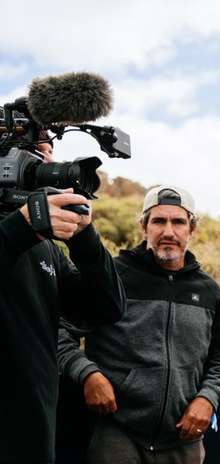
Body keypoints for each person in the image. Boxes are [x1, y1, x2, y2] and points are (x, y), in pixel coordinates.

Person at [58, 185, 220, 463]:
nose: (168, 232)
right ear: (144, 226)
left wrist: (208, 398)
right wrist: (87, 373)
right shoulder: (112, 276)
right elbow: (61, 332)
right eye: (158, 221)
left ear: (192, 230)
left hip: (184, 440)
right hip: (116, 434)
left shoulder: (209, 292)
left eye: (178, 222)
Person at [0, 135, 126, 463]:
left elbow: (106, 308)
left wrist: (85, 237)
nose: (47, 167)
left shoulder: (46, 249)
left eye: (50, 156)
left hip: (35, 439)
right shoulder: (19, 231)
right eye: (35, 156)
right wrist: (19, 227)